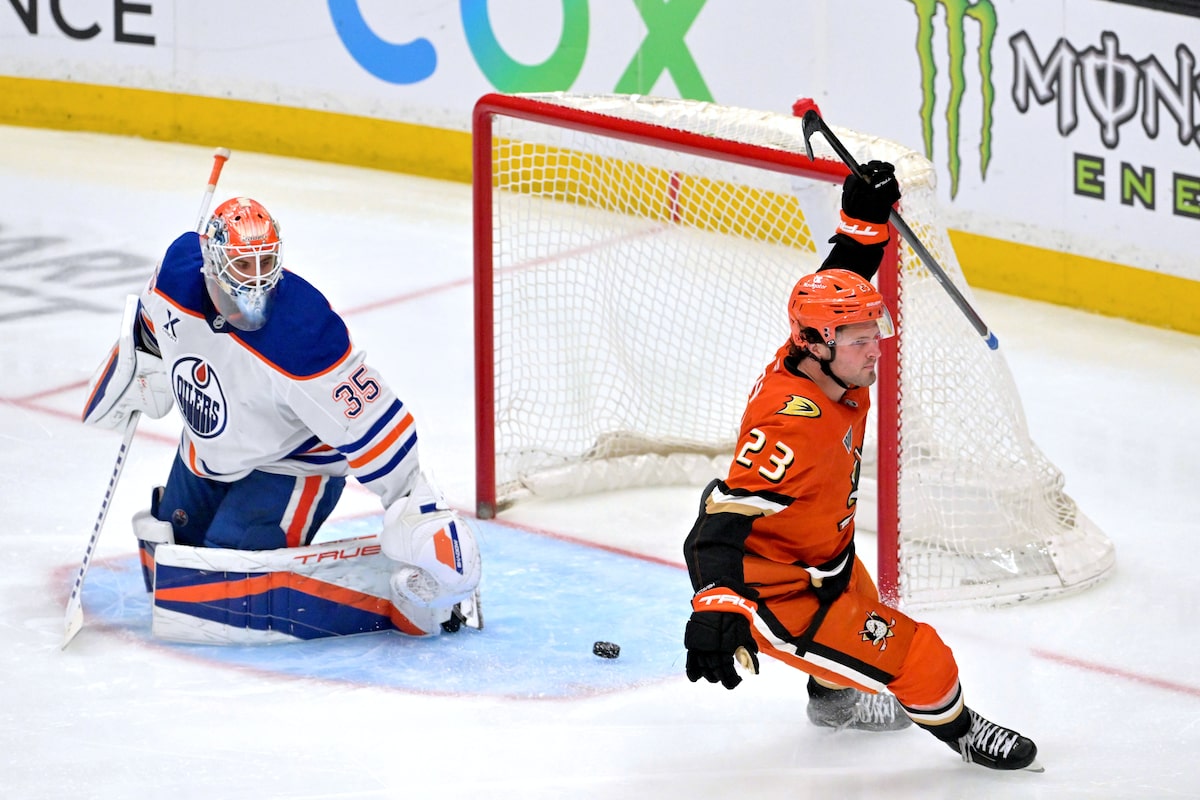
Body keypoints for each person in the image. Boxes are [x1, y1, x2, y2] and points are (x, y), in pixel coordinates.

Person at [681, 162, 1040, 771]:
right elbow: (719, 519)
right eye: (860, 340)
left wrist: (863, 220)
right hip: (783, 589)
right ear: (818, 344)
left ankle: (833, 700)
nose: (875, 349)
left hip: (830, 556)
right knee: (919, 656)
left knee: (858, 638)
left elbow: (839, 279)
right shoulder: (788, 424)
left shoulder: (820, 353)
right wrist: (716, 602)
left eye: (876, 333)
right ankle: (963, 732)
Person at [81, 196, 480, 635]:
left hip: (294, 463)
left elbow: (377, 428)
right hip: (210, 449)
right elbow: (152, 327)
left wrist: (419, 511)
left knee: (224, 589)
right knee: (168, 565)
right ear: (211, 264)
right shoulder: (177, 271)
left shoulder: (303, 331)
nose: (255, 280)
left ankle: (395, 598)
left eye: (265, 262)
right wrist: (142, 363)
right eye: (241, 266)